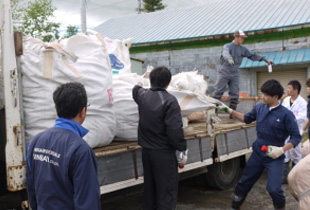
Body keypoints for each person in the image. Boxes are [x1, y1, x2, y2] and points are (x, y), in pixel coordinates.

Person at [219, 79, 301, 210]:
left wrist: (282, 150)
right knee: (243, 183)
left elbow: (296, 136)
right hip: (258, 152)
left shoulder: (286, 115)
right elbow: (246, 119)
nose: (263, 97)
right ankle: (235, 207)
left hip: (274, 156)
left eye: (266, 95)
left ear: (275, 97)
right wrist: (229, 111)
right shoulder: (259, 108)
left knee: (274, 189)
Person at [26, 83, 101, 210]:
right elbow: (88, 202)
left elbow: (31, 189)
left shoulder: (35, 142)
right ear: (83, 111)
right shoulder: (80, 150)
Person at [132, 66, 187, 210]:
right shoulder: (170, 101)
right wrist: (182, 148)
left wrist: (138, 84)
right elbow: (174, 131)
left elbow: (135, 91)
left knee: (150, 192)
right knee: (165, 194)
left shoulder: (142, 96)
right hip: (163, 154)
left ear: (150, 80)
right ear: (168, 83)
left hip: (147, 153)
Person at [212, 30, 273, 114]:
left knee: (235, 93)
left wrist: (265, 59)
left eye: (243, 38)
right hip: (224, 70)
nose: (243, 40)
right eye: (242, 38)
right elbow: (225, 53)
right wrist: (229, 58)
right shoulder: (227, 46)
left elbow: (252, 55)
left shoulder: (242, 49)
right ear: (236, 37)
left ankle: (232, 113)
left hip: (235, 72)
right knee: (218, 91)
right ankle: (213, 111)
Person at [281, 80, 307, 184]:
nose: (287, 90)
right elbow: (282, 111)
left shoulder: (302, 103)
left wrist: (289, 118)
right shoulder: (286, 100)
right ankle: (285, 177)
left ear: (296, 90)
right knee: (285, 152)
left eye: (289, 88)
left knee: (296, 154)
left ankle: (296, 178)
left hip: (296, 131)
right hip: (286, 131)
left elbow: (303, 118)